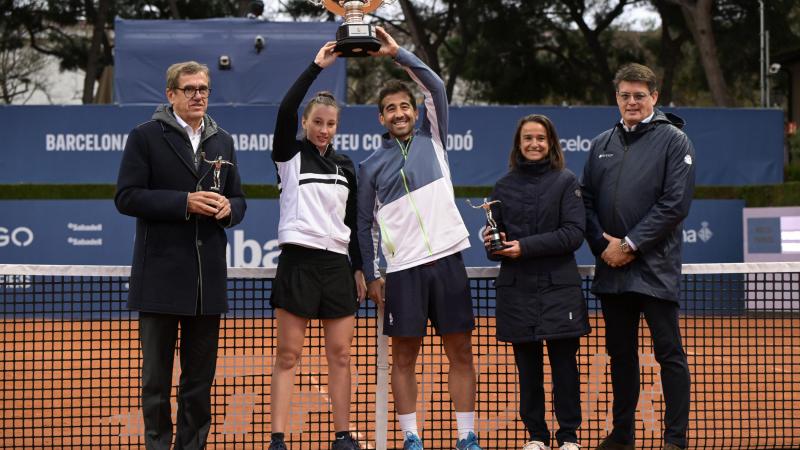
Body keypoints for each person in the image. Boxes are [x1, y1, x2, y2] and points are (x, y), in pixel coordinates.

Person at [357, 27, 483, 450]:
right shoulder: (371, 166)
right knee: (405, 358)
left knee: (460, 351)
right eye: (390, 109)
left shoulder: (435, 139)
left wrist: (399, 54)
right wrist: (374, 274)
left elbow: (437, 86)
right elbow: (363, 226)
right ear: (381, 117)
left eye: (404, 106)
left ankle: (467, 435)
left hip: (448, 261)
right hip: (403, 270)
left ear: (415, 110)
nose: (398, 113)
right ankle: (412, 436)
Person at [115, 61, 246, 450]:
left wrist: (229, 210)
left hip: (207, 284)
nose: (198, 95)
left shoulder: (222, 140)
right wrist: (184, 202)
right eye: (189, 89)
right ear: (170, 94)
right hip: (159, 278)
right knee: (155, 381)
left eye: (203, 88)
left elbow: (238, 198)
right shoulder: (145, 136)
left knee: (198, 383)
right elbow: (126, 197)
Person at [581, 63, 695, 450]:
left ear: (654, 98)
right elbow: (586, 203)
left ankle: (675, 440)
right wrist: (602, 246)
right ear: (617, 98)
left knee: (669, 354)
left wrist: (629, 245)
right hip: (612, 272)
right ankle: (623, 434)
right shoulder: (600, 144)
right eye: (625, 95)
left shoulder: (675, 140)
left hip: (655, 269)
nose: (632, 101)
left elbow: (674, 203)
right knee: (621, 356)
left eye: (639, 95)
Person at [268, 41, 367, 450]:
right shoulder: (289, 156)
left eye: (331, 124)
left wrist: (359, 267)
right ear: (306, 123)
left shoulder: (346, 167)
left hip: (337, 269)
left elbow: (354, 223)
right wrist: (315, 67)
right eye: (317, 122)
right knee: (288, 356)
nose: (324, 129)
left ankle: (343, 435)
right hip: (298, 264)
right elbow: (284, 111)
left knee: (341, 355)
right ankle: (278, 438)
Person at [483, 114, 589, 450]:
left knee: (564, 369)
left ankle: (568, 435)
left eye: (540, 138)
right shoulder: (502, 188)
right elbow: (496, 248)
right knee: (528, 371)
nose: (534, 144)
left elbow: (573, 234)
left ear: (551, 143)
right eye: (527, 138)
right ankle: (537, 436)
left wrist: (524, 247)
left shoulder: (567, 182)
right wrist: (492, 243)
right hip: (518, 293)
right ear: (518, 144)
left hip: (560, 291)